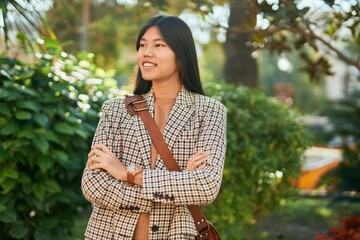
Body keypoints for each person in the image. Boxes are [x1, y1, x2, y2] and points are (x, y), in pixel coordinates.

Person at [81, 15, 227, 240]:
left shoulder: (209, 111)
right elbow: (92, 185)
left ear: (181, 54)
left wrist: (127, 174)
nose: (146, 52)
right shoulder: (115, 110)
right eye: (142, 45)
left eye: (158, 45)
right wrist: (180, 184)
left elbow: (205, 186)